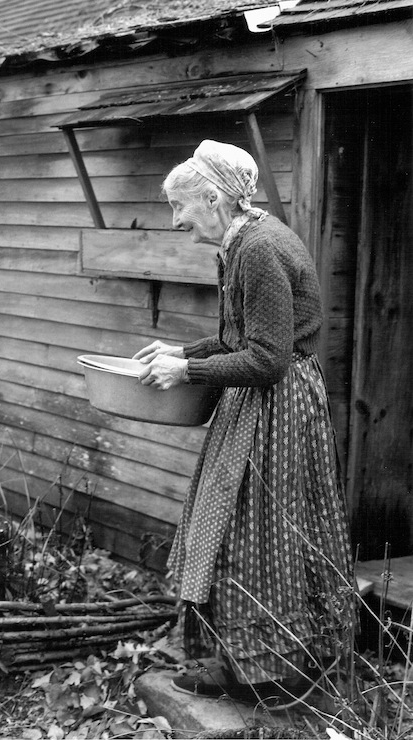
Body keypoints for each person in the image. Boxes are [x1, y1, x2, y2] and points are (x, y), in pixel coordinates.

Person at [133, 140, 355, 704]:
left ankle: (270, 669)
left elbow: (268, 358)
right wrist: (180, 350)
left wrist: (187, 372)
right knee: (247, 529)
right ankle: (256, 660)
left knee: (256, 530)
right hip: (260, 402)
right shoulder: (242, 241)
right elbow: (242, 339)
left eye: (180, 207)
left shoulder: (258, 248)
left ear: (213, 198)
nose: (176, 219)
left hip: (277, 406)